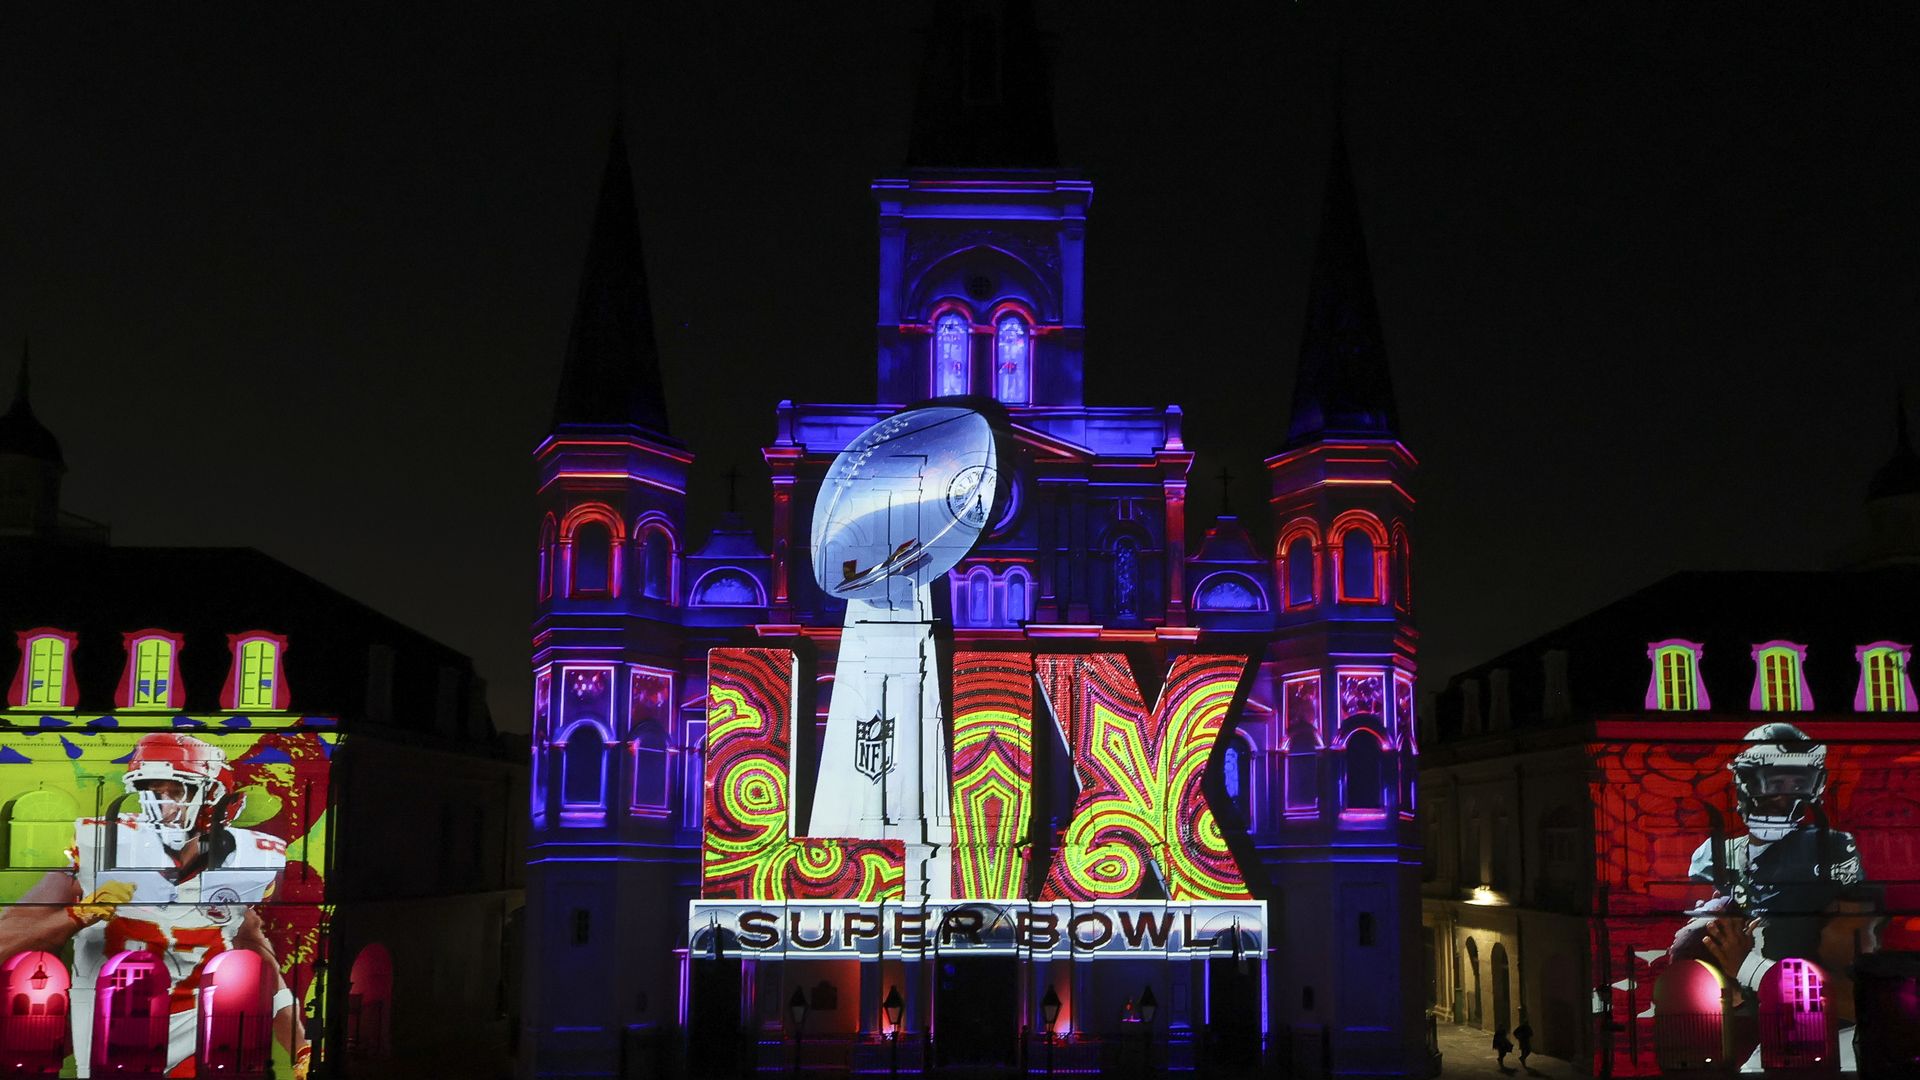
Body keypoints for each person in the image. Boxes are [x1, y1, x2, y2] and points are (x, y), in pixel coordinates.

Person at [0, 732, 310, 1079]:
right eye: (151, 792)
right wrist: (77, 915)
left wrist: (300, 1045)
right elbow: (5, 940)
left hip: (200, 1029)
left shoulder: (252, 859)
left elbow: (258, 962)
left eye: (176, 791)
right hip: (115, 1025)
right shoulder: (99, 847)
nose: (161, 805)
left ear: (215, 797)